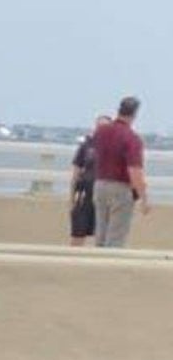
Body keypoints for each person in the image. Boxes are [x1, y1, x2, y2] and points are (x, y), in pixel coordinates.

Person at [92, 96, 149, 248]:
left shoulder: (100, 132)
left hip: (100, 184)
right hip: (120, 187)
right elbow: (134, 171)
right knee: (116, 237)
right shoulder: (131, 138)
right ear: (134, 114)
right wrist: (144, 198)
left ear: (119, 110)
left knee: (101, 233)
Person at [68, 115, 110, 246]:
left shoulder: (113, 147)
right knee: (78, 232)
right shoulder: (86, 145)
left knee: (102, 235)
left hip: (104, 197)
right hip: (84, 195)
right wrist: (71, 197)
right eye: (99, 126)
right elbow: (76, 173)